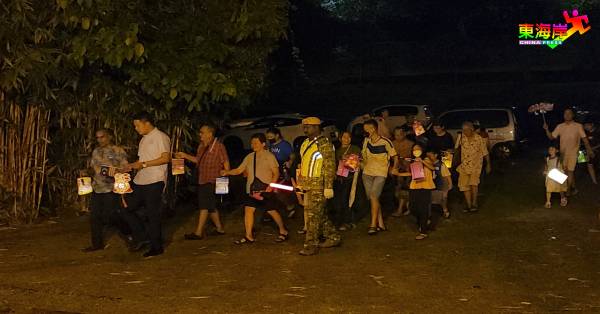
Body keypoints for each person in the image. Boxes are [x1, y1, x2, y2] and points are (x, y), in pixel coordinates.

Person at [221, 133, 289, 244]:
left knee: (271, 210)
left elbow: (276, 173)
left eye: (256, 143)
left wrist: (270, 186)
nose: (253, 145)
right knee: (248, 209)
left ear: (263, 144)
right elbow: (239, 170)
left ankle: (283, 231)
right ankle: (248, 236)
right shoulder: (249, 157)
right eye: (252, 143)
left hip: (265, 189)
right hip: (252, 190)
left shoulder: (269, 156)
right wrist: (227, 172)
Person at [121, 112, 171, 258]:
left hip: (155, 180)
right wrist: (131, 166)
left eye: (137, 125)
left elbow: (165, 158)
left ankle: (156, 246)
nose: (136, 128)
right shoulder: (143, 140)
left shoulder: (160, 137)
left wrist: (143, 164)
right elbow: (142, 160)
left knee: (152, 214)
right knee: (126, 208)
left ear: (147, 123)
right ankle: (143, 236)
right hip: (140, 180)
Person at [176, 124, 229, 240]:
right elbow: (197, 160)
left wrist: (224, 180)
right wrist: (184, 156)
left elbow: (226, 163)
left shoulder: (219, 147)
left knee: (204, 205)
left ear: (210, 134)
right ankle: (220, 228)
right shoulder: (201, 146)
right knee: (210, 206)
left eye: (202, 132)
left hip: (213, 180)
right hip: (202, 179)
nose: (200, 134)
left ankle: (198, 232)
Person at [296, 117, 340, 256]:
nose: (305, 128)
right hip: (308, 184)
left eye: (308, 126)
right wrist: (301, 183)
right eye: (304, 126)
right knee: (319, 214)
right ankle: (333, 236)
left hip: (319, 185)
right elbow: (305, 164)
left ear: (316, 127)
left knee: (313, 217)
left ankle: (311, 245)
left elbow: (329, 166)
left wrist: (328, 186)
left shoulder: (324, 144)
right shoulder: (305, 143)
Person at [82, 128, 129, 252]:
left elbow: (126, 168)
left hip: (111, 187)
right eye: (97, 137)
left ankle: (129, 232)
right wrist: (86, 172)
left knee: (112, 215)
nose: (99, 140)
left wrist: (114, 172)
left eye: (102, 137)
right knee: (94, 216)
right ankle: (97, 244)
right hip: (97, 187)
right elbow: (93, 168)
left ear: (109, 137)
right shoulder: (96, 151)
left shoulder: (118, 151)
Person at [543, 108, 595, 195]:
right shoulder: (560, 126)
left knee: (570, 171)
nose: (567, 115)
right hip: (563, 153)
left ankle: (567, 190)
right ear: (563, 115)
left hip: (573, 153)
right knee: (565, 171)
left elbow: (585, 139)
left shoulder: (578, 126)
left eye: (569, 113)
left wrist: (589, 150)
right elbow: (551, 137)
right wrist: (546, 129)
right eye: (565, 113)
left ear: (572, 115)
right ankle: (573, 188)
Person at [362, 119, 398, 235]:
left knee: (373, 196)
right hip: (367, 172)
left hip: (381, 173)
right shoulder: (366, 141)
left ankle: (373, 225)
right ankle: (381, 223)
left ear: (374, 128)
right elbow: (364, 156)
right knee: (373, 198)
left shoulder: (385, 142)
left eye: (368, 129)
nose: (366, 131)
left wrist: (394, 168)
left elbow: (395, 157)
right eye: (365, 129)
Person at [392, 144, 435, 240]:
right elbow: (412, 174)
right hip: (414, 186)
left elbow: (433, 168)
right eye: (414, 149)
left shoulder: (427, 160)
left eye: (418, 149)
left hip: (425, 186)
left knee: (423, 208)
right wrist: (398, 173)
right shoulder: (412, 162)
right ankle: (423, 222)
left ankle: (423, 231)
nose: (416, 151)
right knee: (413, 207)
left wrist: (422, 161)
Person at [455, 121, 491, 213]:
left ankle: (474, 203)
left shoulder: (479, 138)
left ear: (471, 129)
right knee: (464, 186)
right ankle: (468, 204)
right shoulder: (462, 138)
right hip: (464, 166)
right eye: (463, 130)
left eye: (466, 130)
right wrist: (459, 137)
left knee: (474, 184)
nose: (465, 132)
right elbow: (456, 148)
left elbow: (485, 152)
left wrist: (488, 164)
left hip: (476, 165)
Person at [333, 131, 361, 231]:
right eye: (344, 137)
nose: (347, 139)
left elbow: (356, 162)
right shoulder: (337, 151)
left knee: (350, 199)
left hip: (351, 178)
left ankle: (349, 221)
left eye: (349, 137)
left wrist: (347, 159)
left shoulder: (355, 148)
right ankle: (341, 220)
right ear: (340, 138)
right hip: (340, 178)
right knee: (341, 201)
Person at [265, 127, 296, 215]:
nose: (269, 139)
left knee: (277, 189)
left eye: (271, 136)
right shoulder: (271, 145)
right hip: (273, 169)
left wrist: (290, 162)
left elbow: (292, 155)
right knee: (273, 189)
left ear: (277, 135)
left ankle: (290, 206)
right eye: (268, 137)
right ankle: (274, 210)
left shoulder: (284, 145)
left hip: (282, 170)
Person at [391, 126, 414, 217]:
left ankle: (405, 208)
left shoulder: (411, 144)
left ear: (404, 134)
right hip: (396, 169)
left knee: (406, 187)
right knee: (399, 188)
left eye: (400, 134)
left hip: (408, 170)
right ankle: (403, 207)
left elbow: (412, 158)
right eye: (396, 135)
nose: (398, 137)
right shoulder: (392, 144)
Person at [427, 149, 452, 218]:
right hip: (433, 184)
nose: (429, 157)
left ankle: (445, 210)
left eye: (430, 155)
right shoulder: (428, 164)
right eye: (428, 156)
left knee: (443, 198)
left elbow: (447, 175)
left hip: (442, 184)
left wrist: (450, 183)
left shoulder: (441, 165)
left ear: (435, 155)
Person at [583, 120, 599, 185]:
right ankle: (594, 181)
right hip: (586, 152)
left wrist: (592, 149)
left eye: (587, 125)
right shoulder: (584, 133)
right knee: (589, 165)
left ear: (592, 124)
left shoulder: (597, 132)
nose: (585, 127)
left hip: (596, 151)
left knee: (595, 164)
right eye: (584, 126)